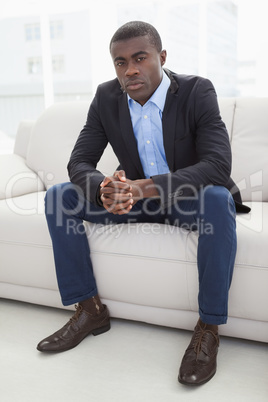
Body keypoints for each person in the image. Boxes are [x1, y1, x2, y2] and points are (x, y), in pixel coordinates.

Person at [37, 21, 250, 385]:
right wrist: (106, 187)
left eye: (139, 58)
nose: (130, 69)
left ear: (161, 57)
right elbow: (79, 162)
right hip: (135, 199)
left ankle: (208, 329)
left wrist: (144, 188)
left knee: (217, 199)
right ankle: (89, 311)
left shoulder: (197, 91)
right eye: (120, 62)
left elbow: (216, 165)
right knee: (60, 196)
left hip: (188, 198)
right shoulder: (106, 97)